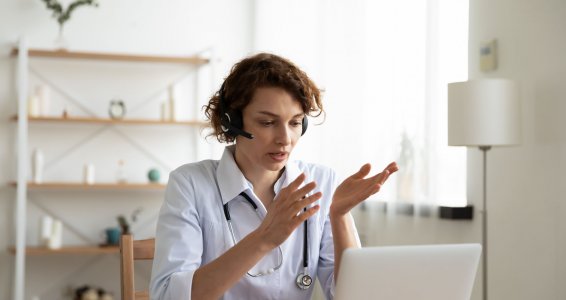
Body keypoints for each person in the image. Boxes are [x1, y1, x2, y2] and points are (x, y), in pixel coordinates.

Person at [150, 53, 398, 300]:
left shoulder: (321, 182)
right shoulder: (190, 185)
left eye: (295, 122)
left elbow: (351, 296)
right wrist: (264, 238)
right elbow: (167, 296)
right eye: (268, 122)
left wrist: (339, 216)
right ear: (232, 122)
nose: (285, 139)